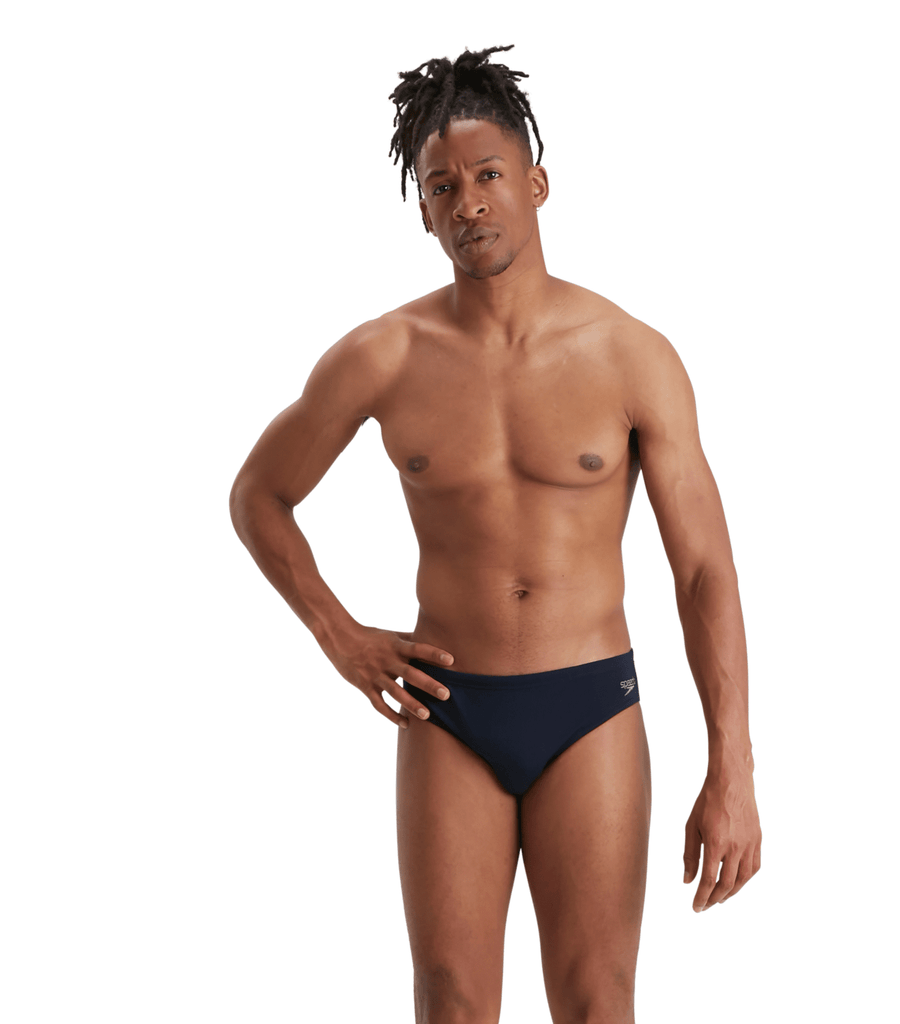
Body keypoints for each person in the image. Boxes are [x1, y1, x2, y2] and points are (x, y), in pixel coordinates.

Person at [229, 43, 761, 1024]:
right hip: (449, 709)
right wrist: (340, 636)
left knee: (596, 1003)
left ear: (535, 182)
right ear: (422, 211)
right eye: (442, 187)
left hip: (589, 705)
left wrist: (732, 764)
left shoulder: (632, 356)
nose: (468, 203)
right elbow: (259, 494)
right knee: (451, 1004)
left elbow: (702, 572)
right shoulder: (383, 356)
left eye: (487, 175)